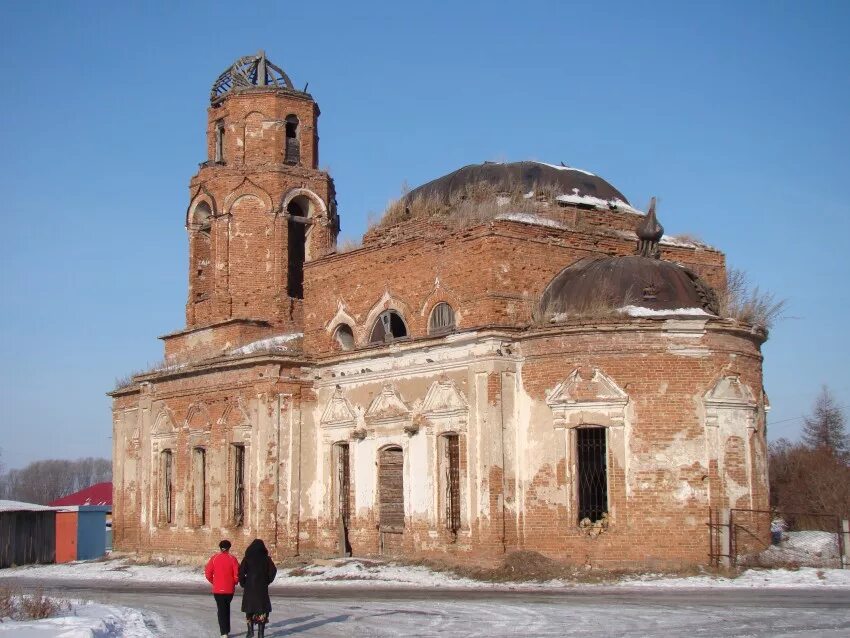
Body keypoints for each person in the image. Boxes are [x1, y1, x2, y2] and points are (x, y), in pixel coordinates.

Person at [239, 538, 277, 638]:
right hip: (261, 588)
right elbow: (273, 571)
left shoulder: (247, 558)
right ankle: (261, 633)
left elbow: (241, 572)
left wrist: (243, 583)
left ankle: (250, 631)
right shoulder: (266, 559)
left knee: (249, 609)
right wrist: (267, 580)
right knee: (262, 610)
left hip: (249, 588)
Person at [205, 539, 240, 638]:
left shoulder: (214, 558)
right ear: (229, 548)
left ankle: (223, 632)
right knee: (226, 608)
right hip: (229, 589)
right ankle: (226, 630)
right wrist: (234, 582)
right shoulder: (232, 558)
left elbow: (208, 573)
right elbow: (237, 573)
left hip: (217, 589)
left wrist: (213, 582)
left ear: (220, 548)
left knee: (221, 610)